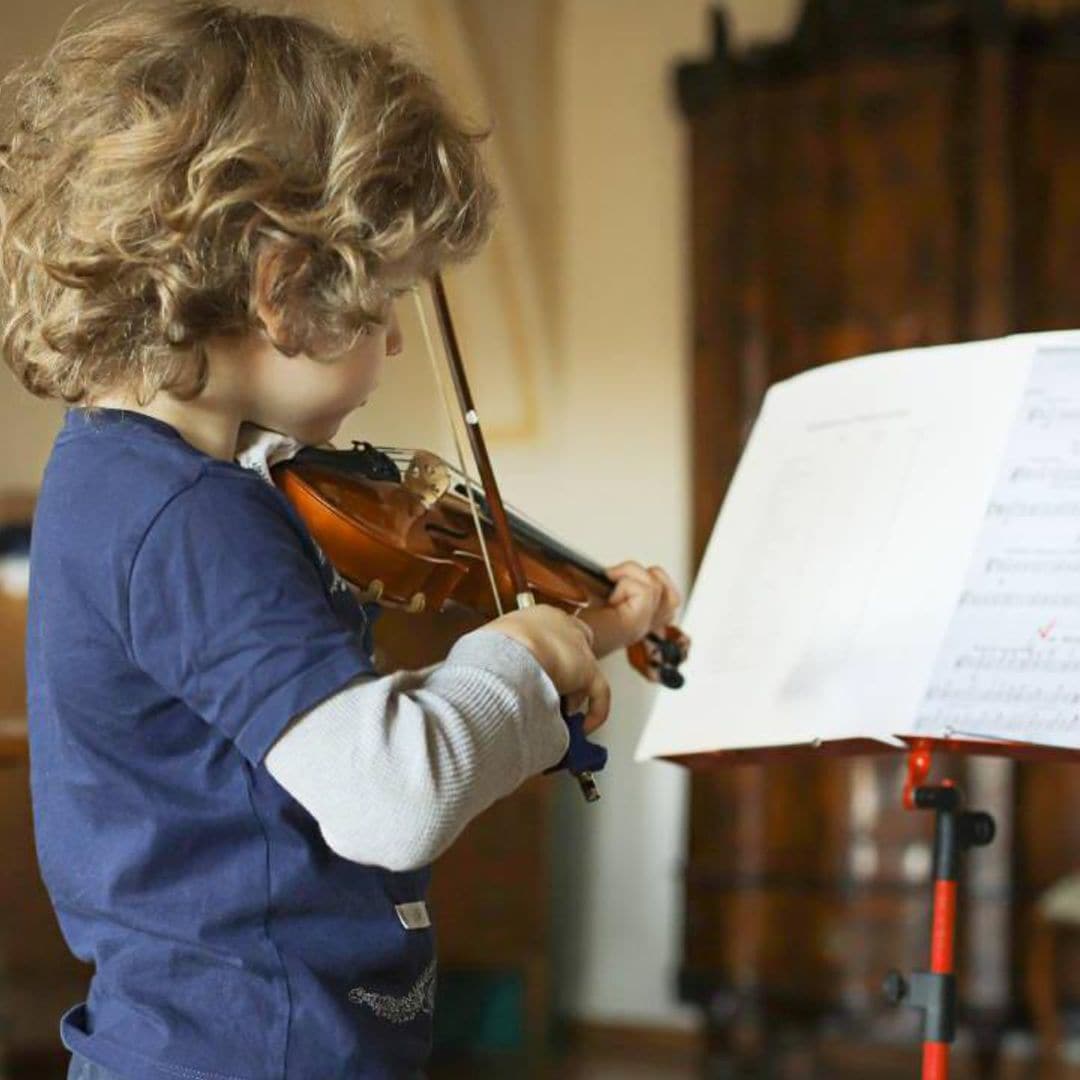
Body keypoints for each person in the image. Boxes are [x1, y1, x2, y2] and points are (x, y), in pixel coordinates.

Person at [0, 3, 682, 1078]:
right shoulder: (187, 517)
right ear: (279, 293)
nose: (400, 337)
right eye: (384, 302)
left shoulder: (146, 480)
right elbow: (388, 796)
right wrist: (523, 657)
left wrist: (572, 645)